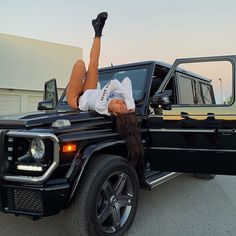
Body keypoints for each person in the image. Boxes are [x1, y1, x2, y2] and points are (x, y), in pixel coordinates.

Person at [66, 12, 144, 167]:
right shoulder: (115, 103)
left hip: (76, 99)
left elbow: (115, 82)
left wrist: (124, 104)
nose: (120, 102)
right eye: (122, 103)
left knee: (80, 64)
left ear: (114, 113)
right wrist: (130, 106)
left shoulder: (102, 106)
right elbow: (126, 81)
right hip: (90, 91)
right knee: (94, 64)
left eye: (119, 106)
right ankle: (98, 30)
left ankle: (97, 30)